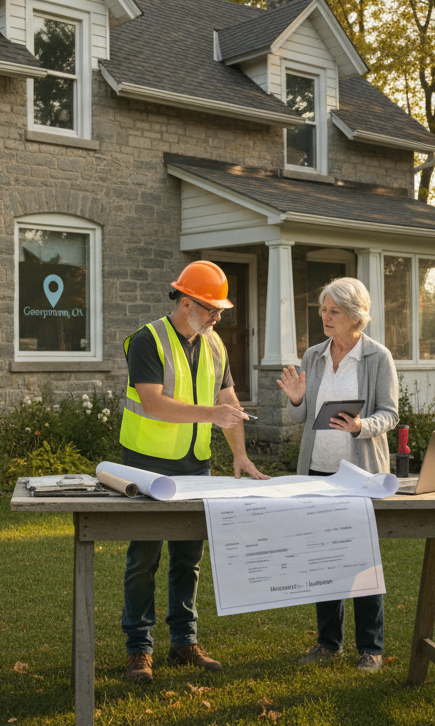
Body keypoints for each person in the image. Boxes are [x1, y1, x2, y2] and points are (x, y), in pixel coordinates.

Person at [119, 260, 268, 684]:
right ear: (186, 303)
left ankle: (184, 641)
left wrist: (239, 455)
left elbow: (230, 404)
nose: (218, 318)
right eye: (212, 310)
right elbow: (153, 404)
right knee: (143, 559)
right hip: (146, 465)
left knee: (189, 558)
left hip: (196, 466)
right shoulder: (146, 341)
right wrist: (213, 414)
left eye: (220, 312)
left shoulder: (215, 345)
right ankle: (138, 649)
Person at [275, 276, 399, 673]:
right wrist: (296, 398)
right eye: (323, 311)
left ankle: (371, 648)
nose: (325, 318)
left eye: (334, 312)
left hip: (358, 474)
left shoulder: (378, 357)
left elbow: (390, 414)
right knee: (322, 560)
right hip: (316, 473)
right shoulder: (313, 356)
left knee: (362, 560)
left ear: (355, 316)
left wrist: (361, 426)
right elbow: (302, 417)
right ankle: (329, 643)